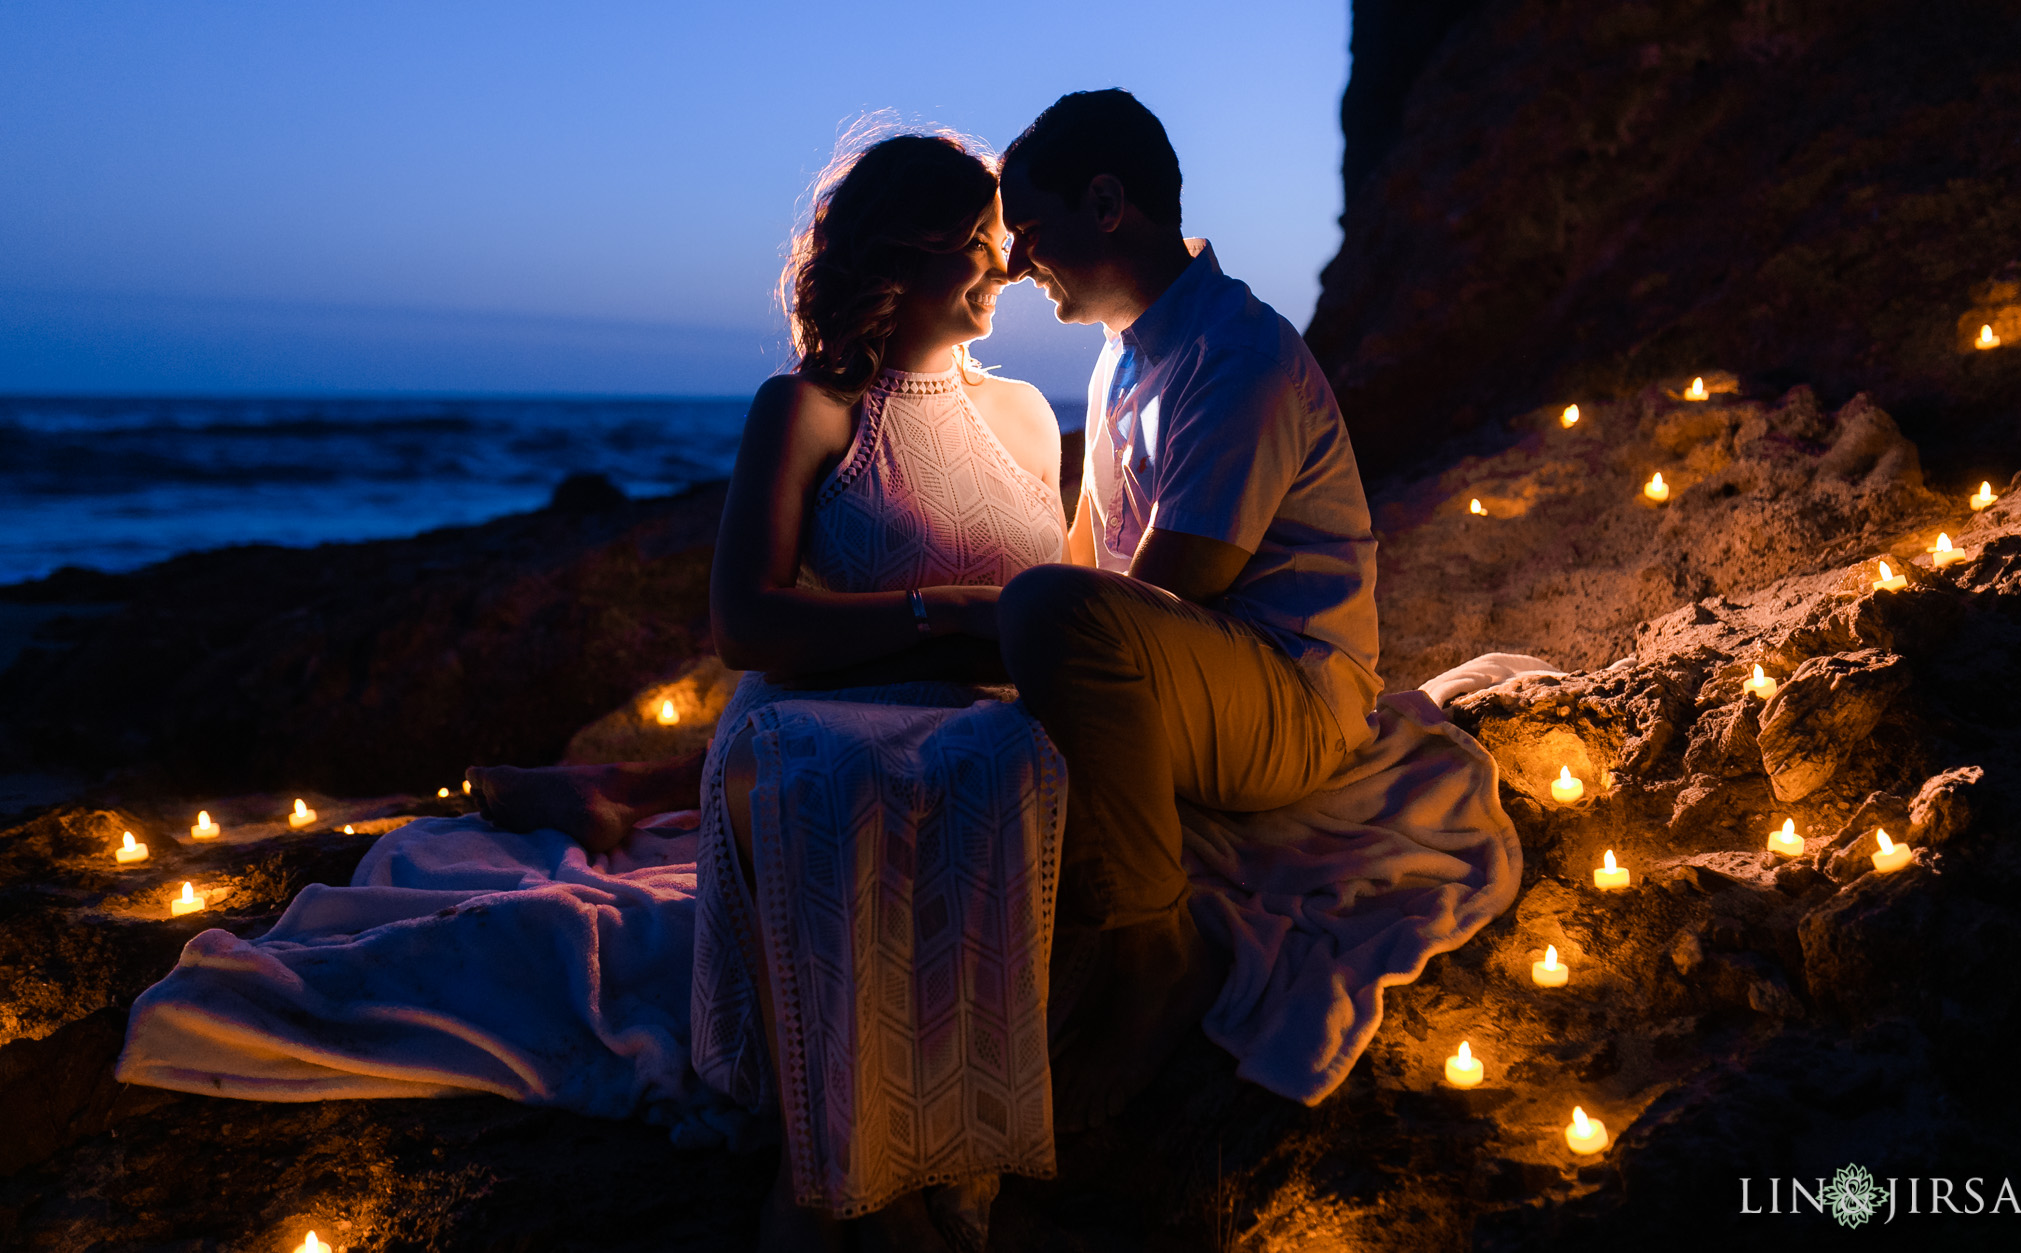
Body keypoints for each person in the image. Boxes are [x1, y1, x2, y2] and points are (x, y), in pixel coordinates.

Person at [483, 127, 1071, 1252]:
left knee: (998, 776)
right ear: (902, 252)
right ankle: (838, 1165)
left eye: (1001, 248)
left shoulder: (1029, 418)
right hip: (816, 718)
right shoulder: (806, 410)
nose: (1002, 272)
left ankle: (946, 1147)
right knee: (831, 780)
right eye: (978, 247)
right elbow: (743, 623)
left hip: (977, 725)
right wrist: (935, 611)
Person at [993, 89, 1384, 1128]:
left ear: (1107, 201)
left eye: (1029, 234)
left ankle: (1153, 951)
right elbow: (1085, 565)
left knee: (1039, 617)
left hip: (1289, 694)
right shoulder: (1121, 352)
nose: (1015, 265)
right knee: (1019, 630)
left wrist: (1023, 639)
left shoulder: (1234, 354)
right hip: (1189, 670)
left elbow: (1169, 591)